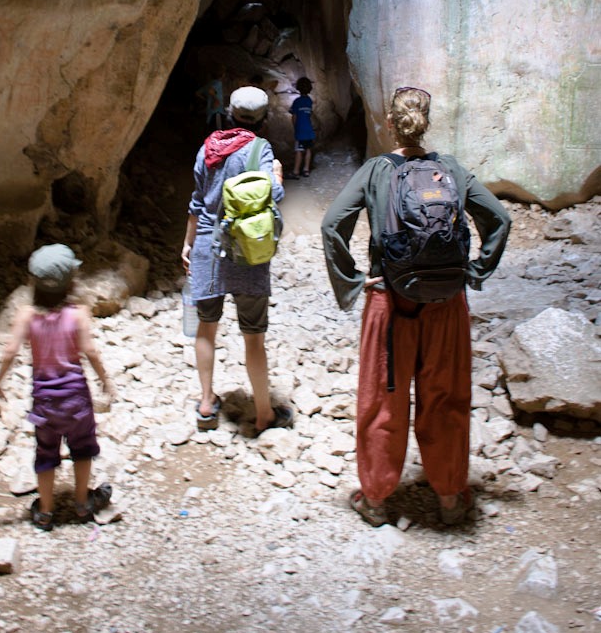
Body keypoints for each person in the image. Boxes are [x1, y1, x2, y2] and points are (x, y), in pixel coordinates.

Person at [321, 87, 511, 527]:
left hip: (391, 302)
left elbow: (333, 225)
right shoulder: (450, 170)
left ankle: (377, 498)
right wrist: (475, 272)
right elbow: (499, 220)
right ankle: (448, 497)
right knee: (446, 398)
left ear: (390, 124)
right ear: (426, 123)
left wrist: (352, 282)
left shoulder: (375, 172)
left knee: (383, 402)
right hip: (446, 304)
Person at [181, 85, 292, 435]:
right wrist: (277, 178)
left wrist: (187, 244)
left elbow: (198, 201)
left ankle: (205, 405)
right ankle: (263, 414)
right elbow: (269, 196)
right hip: (246, 250)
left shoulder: (208, 147)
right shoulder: (260, 149)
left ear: (230, 113)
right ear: (262, 119)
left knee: (206, 327)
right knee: (253, 335)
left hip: (206, 246)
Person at [0, 243, 115, 531]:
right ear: (71, 281)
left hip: (44, 400)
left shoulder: (26, 316)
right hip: (76, 398)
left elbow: (10, 351)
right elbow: (90, 352)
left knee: (46, 452)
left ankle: (45, 511)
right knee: (82, 448)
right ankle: (83, 502)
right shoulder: (77, 315)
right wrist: (105, 380)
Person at [286, 76, 316, 180]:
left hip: (301, 130)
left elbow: (294, 116)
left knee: (299, 150)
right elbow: (310, 115)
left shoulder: (297, 102)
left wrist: (295, 127)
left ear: (298, 88)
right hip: (309, 130)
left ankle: (296, 171)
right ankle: (306, 170)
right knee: (308, 149)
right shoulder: (309, 101)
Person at [196, 66, 226, 132]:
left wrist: (206, 100)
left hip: (209, 112)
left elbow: (197, 93)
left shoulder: (209, 84)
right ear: (223, 75)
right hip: (217, 111)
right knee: (219, 132)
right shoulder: (218, 83)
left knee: (209, 130)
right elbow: (211, 91)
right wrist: (216, 100)